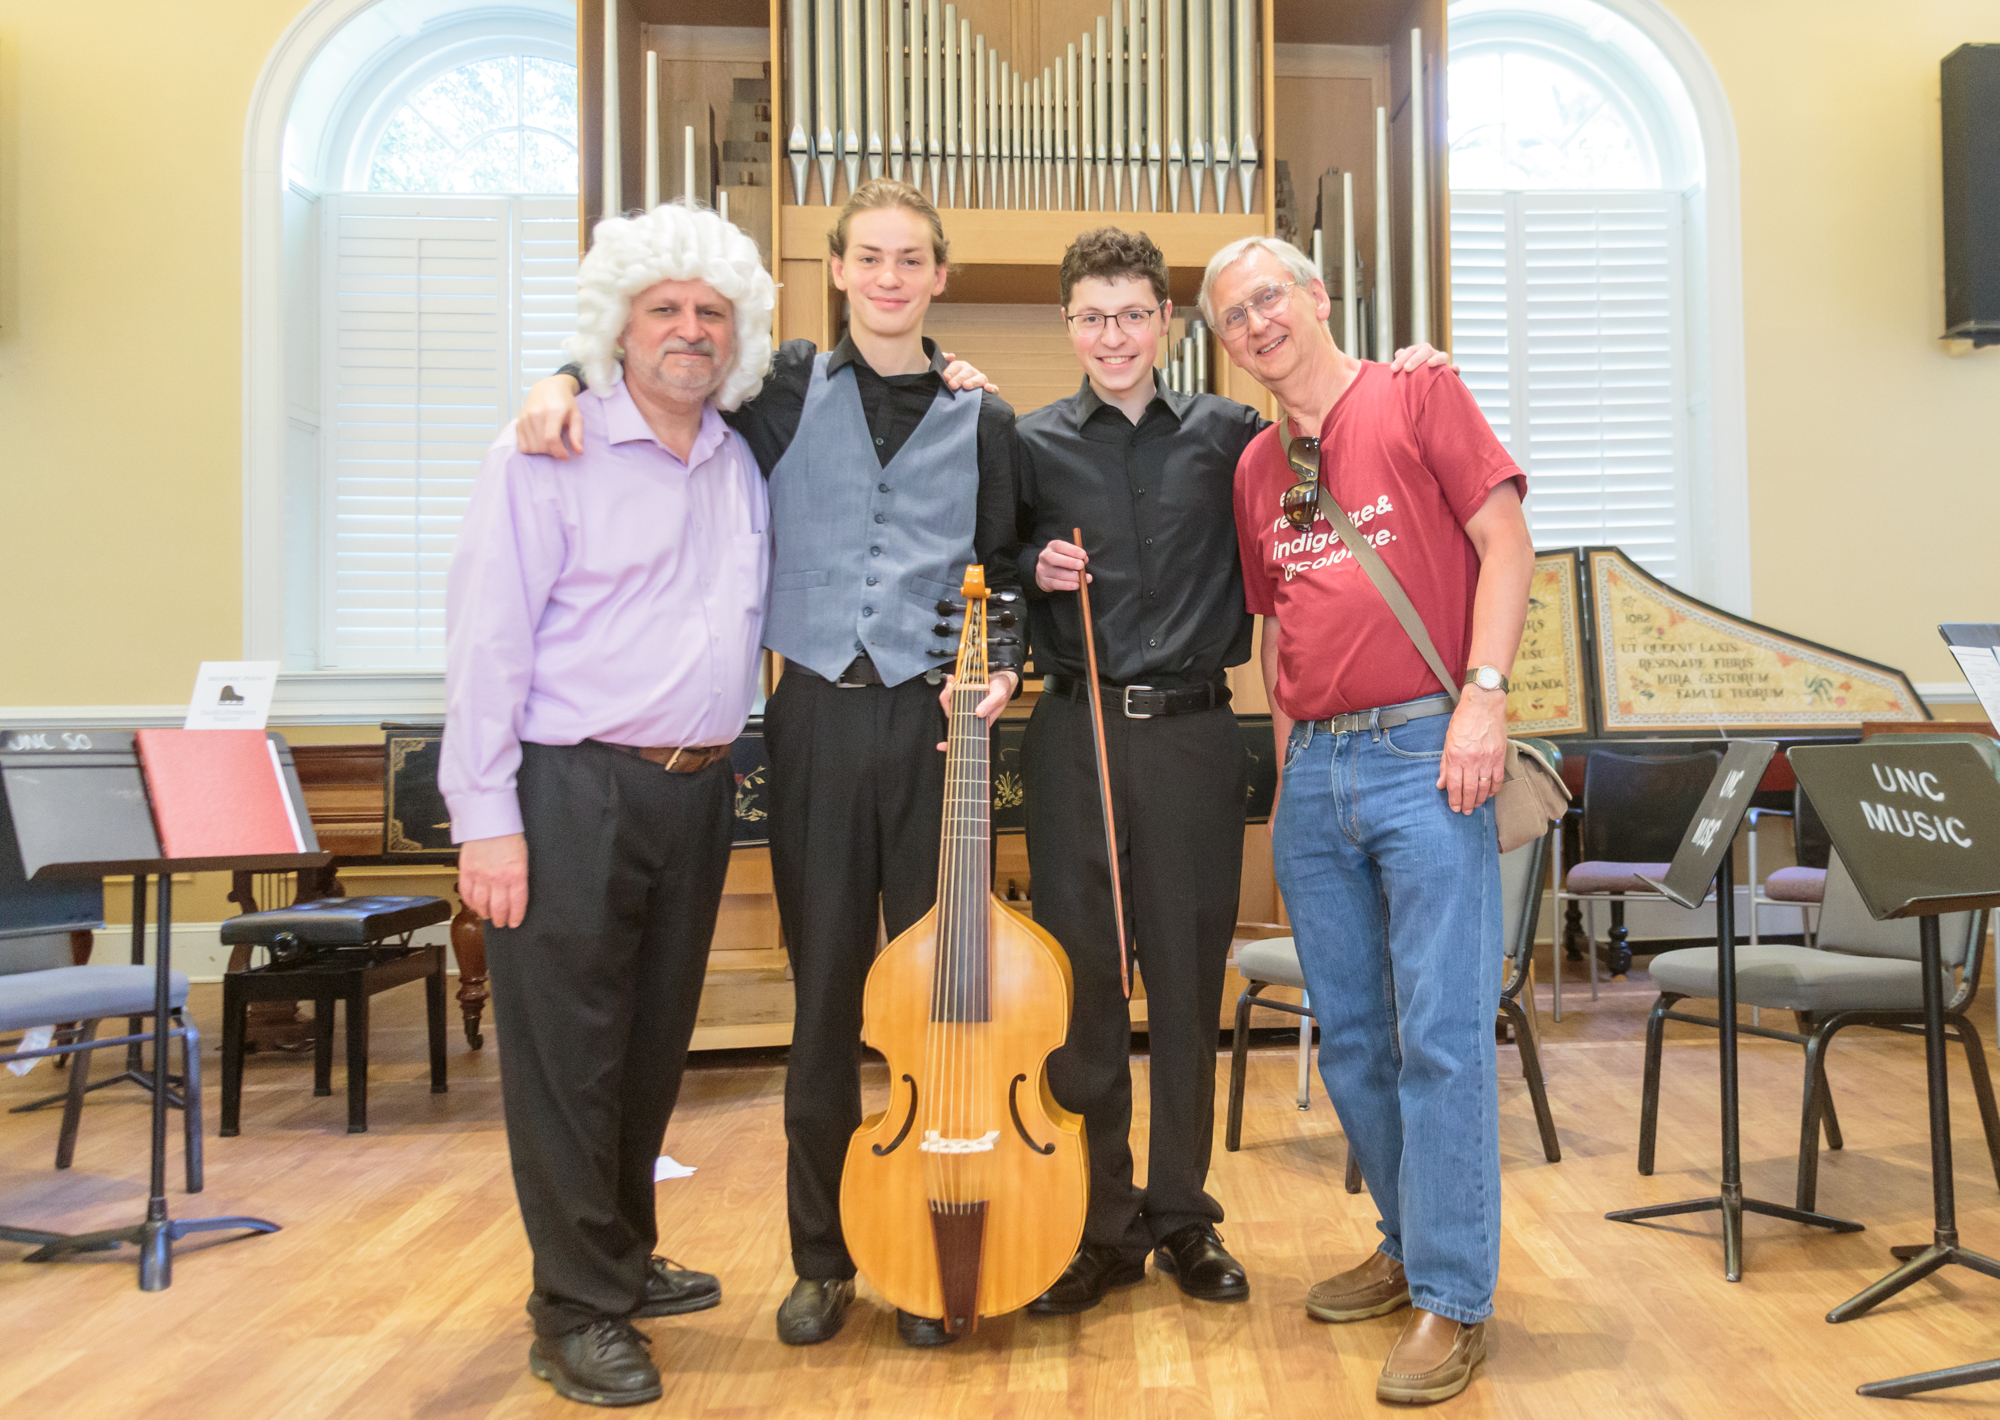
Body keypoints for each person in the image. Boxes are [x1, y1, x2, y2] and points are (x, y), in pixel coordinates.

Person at [512, 179, 1021, 1350]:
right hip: (815, 725)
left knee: (942, 1002)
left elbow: (1005, 559)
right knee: (828, 997)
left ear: (939, 277)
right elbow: (653, 369)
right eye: (869, 257)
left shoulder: (985, 417)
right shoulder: (776, 389)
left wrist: (1008, 676)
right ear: (834, 271)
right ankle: (823, 1256)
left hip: (942, 730)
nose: (890, 276)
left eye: (912, 259)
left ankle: (926, 1248)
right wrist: (557, 375)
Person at [1011, 228, 1449, 1317]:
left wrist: (1414, 364)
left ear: (1167, 323)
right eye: (1090, 316)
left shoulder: (1236, 436)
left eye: (1132, 314)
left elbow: (1339, 438)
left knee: (1186, 973)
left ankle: (1181, 1216)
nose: (1112, 335)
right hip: (1073, 736)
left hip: (1200, 736)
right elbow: (982, 564)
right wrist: (1031, 566)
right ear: (1066, 327)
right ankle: (1098, 1225)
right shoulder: (1021, 445)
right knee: (1085, 994)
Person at [441, 202, 774, 1408]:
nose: (689, 331)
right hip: (568, 785)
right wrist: (484, 813)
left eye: (711, 314)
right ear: (617, 331)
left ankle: (620, 1258)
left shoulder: (739, 460)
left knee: (646, 1047)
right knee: (567, 1057)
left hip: (697, 789)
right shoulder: (547, 450)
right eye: (664, 310)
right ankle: (573, 1309)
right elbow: (485, 638)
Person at [1204, 234, 1533, 1406]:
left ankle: (1454, 1298)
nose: (1254, 324)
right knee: (1348, 1035)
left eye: (1267, 298)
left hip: (1424, 751)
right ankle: (1404, 1243)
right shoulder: (1254, 468)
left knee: (1439, 1036)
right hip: (1316, 772)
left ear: (1315, 296)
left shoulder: (1415, 390)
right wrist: (1291, 778)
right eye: (1230, 316)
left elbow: (1505, 541)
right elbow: (1278, 627)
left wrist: (1481, 702)